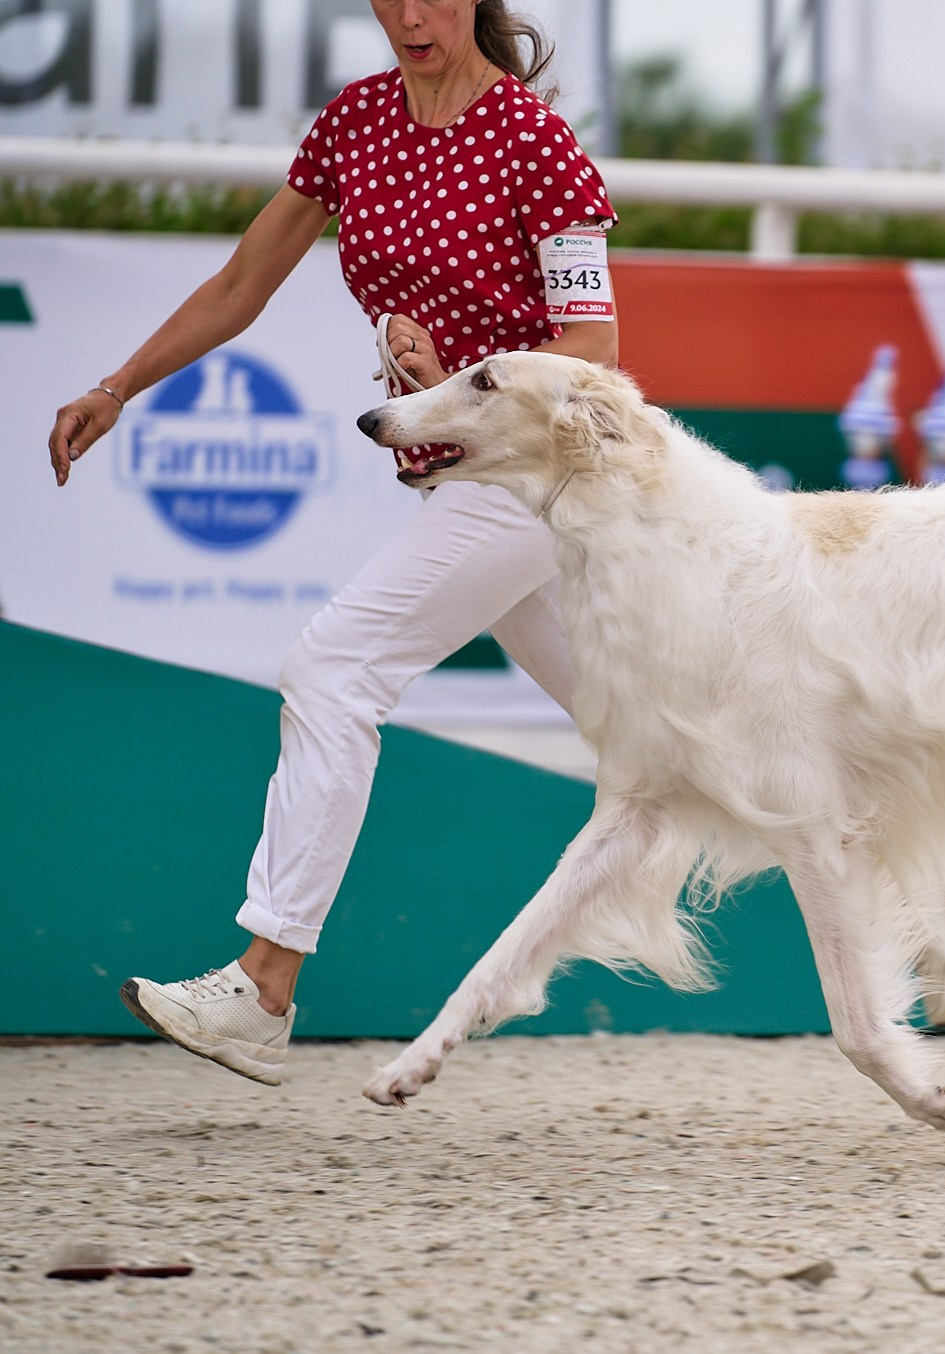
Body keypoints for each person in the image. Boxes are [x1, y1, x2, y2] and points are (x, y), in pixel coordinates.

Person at [43, 0, 619, 1081]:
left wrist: (445, 367)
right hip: (456, 482)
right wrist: (117, 386)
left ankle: (264, 984)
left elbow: (592, 346)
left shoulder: (534, 140)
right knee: (651, 735)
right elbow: (238, 285)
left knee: (335, 663)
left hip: (530, 483)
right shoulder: (354, 123)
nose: (409, 15)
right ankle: (899, 886)